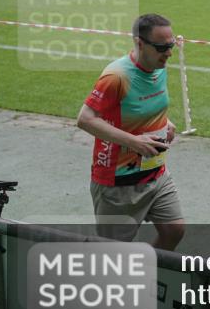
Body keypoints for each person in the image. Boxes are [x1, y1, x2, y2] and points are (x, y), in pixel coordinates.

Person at [76, 13, 184, 250]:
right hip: (117, 183)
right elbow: (85, 119)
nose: (169, 52)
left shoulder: (158, 67)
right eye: (162, 47)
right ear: (140, 43)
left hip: (155, 173)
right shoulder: (117, 76)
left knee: (174, 229)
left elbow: (139, 106)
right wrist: (134, 142)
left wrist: (166, 122)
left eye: (171, 45)